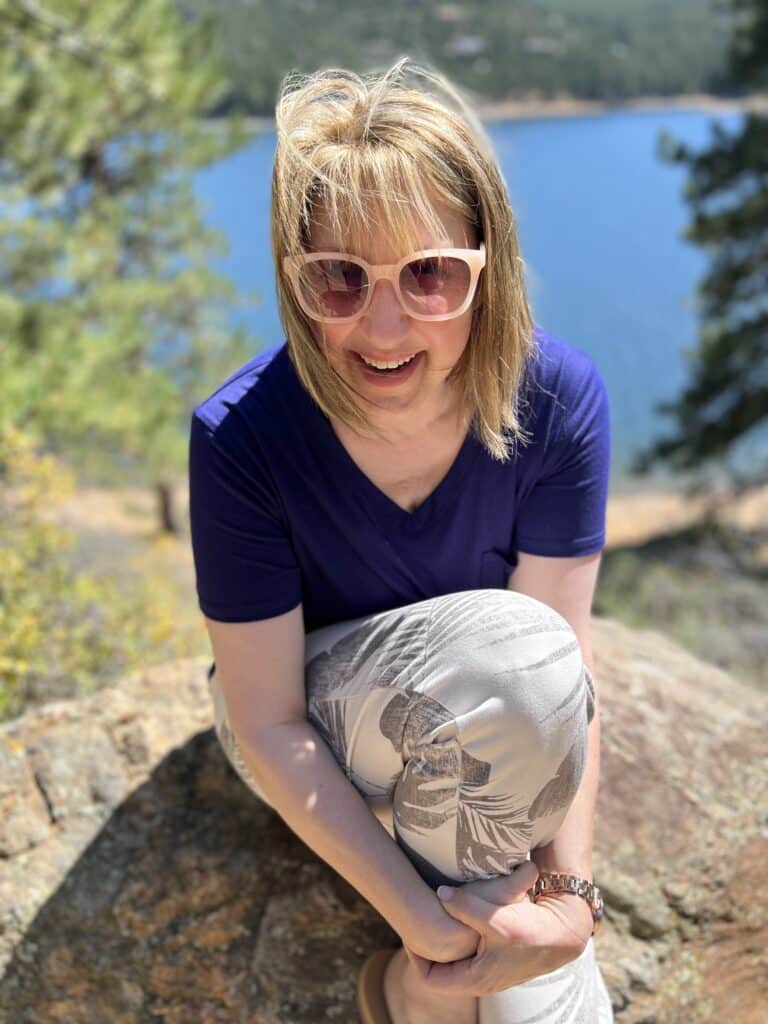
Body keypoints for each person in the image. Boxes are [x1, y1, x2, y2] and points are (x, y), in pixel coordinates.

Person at [188, 57, 614, 1024]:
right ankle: (425, 978)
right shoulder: (243, 437)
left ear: (485, 266)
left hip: (492, 725)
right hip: (308, 728)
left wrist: (568, 904)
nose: (383, 327)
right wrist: (429, 928)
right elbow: (268, 721)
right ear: (295, 284)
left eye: (429, 274)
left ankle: (410, 1002)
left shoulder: (558, 401)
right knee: (507, 671)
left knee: (524, 667)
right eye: (339, 278)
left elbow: (564, 676)